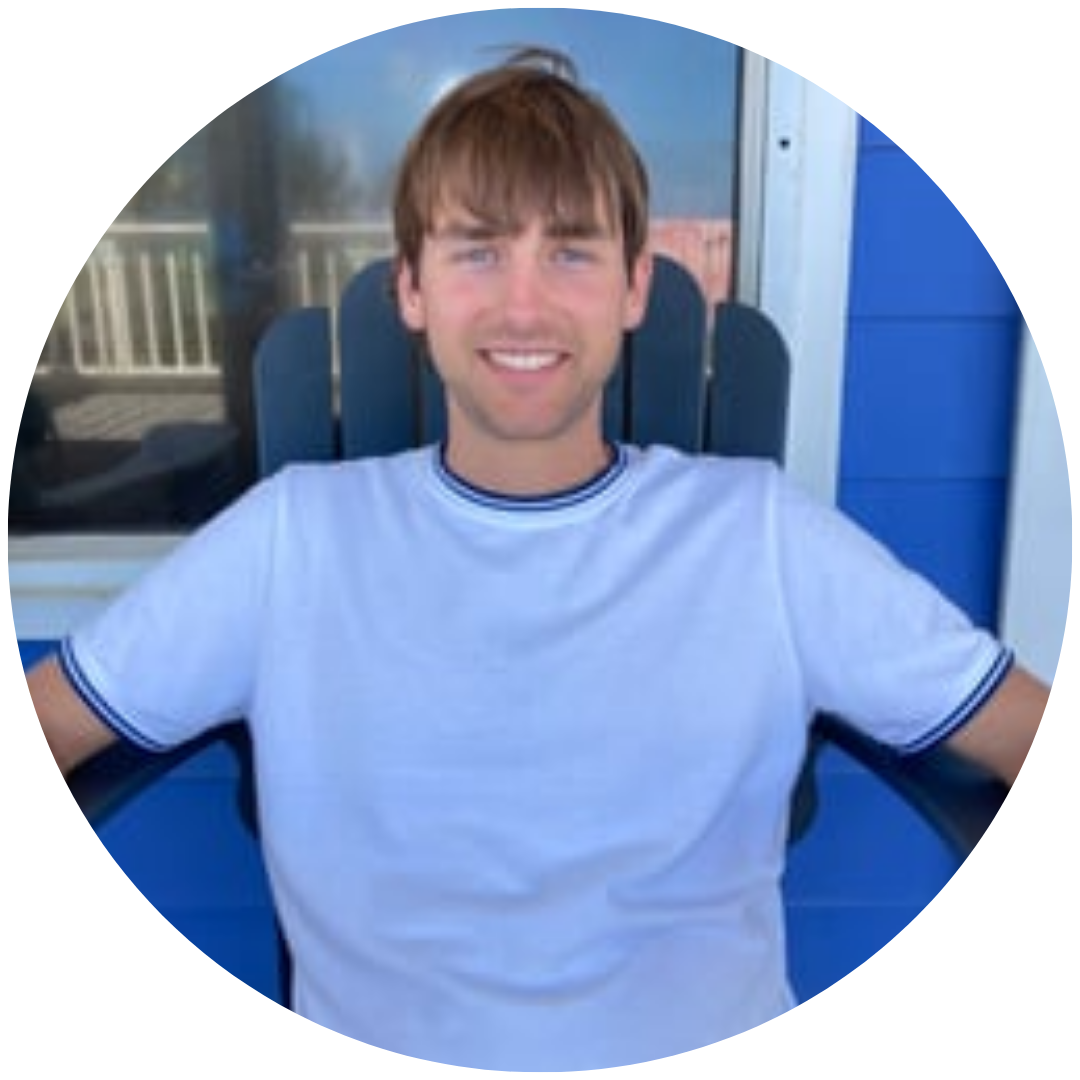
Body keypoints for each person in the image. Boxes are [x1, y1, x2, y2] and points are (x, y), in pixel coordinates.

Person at [24, 46, 1073, 1068]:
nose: (523, 305)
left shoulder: (760, 536)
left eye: (570, 251)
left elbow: (1044, 740)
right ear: (412, 289)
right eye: (477, 250)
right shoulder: (291, 541)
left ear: (633, 289)